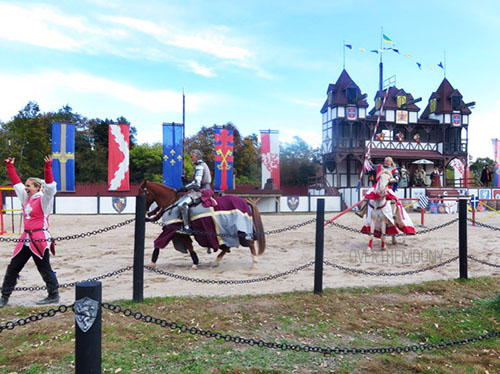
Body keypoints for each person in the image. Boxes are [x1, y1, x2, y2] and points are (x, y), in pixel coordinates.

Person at [0, 156, 59, 308]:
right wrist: (10, 167)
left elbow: (51, 188)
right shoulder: (26, 198)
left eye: (29, 186)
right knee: (13, 267)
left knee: (44, 267)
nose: (26, 188)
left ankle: (53, 295)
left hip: (39, 238)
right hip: (25, 238)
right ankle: (4, 296)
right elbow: (16, 184)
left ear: (38, 187)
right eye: (26, 185)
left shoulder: (43, 200)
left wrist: (47, 168)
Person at [175, 149, 212, 235]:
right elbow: (196, 181)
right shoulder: (201, 165)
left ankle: (187, 228)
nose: (191, 158)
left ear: (197, 156)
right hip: (200, 189)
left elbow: (196, 184)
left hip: (200, 191)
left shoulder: (199, 166)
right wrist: (187, 180)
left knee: (182, 204)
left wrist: (183, 188)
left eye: (192, 157)